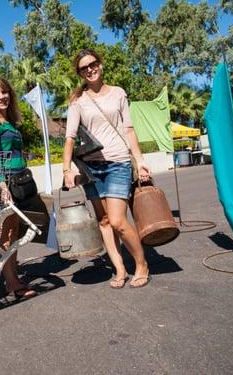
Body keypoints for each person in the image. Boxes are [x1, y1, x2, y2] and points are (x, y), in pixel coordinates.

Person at [62, 49, 151, 289]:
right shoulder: (78, 101)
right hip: (91, 168)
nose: (90, 69)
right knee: (103, 221)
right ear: (80, 73)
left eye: (93, 64)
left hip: (118, 163)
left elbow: (129, 129)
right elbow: (70, 137)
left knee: (118, 220)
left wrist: (139, 159)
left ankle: (141, 264)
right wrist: (66, 169)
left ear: (100, 65)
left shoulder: (118, 93)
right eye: (84, 68)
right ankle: (120, 269)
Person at [0, 77, 37, 299]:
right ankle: (12, 282)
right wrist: (3, 185)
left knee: (13, 233)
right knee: (5, 235)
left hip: (16, 181)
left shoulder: (7, 121)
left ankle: (13, 278)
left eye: (4, 92)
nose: (1, 96)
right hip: (4, 185)